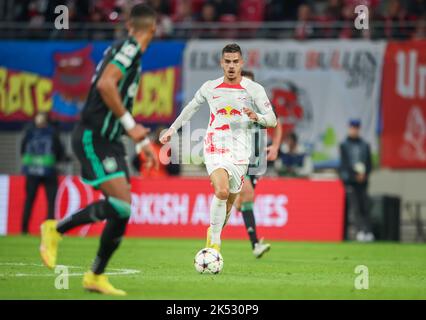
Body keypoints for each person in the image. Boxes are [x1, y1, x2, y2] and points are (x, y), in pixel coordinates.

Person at [39, 4, 157, 296]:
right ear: (153, 29)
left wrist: (142, 142)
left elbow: (117, 96)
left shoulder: (127, 51)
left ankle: (95, 276)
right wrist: (132, 127)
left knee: (123, 209)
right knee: (120, 204)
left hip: (110, 139)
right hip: (94, 136)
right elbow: (106, 85)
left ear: (129, 25)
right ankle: (55, 230)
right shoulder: (130, 49)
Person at [160, 43, 277, 253]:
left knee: (230, 204)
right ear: (221, 63)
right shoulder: (210, 87)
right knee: (221, 192)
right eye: (227, 62)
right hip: (215, 146)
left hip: (241, 153)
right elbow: (190, 109)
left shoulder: (254, 90)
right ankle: (214, 244)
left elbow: (272, 120)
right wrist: (172, 129)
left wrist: (257, 117)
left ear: (241, 63)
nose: (231, 66)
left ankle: (213, 234)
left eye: (235, 62)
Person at [233, 70, 282, 258]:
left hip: (257, 161)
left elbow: (277, 123)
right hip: (236, 157)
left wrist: (275, 145)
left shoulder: (261, 104)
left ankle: (255, 244)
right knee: (247, 195)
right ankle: (254, 246)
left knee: (242, 202)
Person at [20, 112, 67, 234]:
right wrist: (62, 159)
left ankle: (24, 229)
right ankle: (49, 230)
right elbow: (59, 151)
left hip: (32, 172)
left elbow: (22, 151)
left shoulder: (29, 132)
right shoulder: (52, 132)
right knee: (51, 201)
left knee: (29, 200)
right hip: (49, 172)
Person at [339, 119, 374, 242]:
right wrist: (354, 176)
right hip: (350, 182)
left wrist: (364, 175)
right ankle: (359, 231)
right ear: (349, 128)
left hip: (363, 182)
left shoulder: (365, 145)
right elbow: (345, 164)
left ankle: (368, 231)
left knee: (365, 206)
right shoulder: (344, 145)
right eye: (353, 128)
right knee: (354, 207)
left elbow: (369, 163)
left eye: (357, 128)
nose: (354, 130)